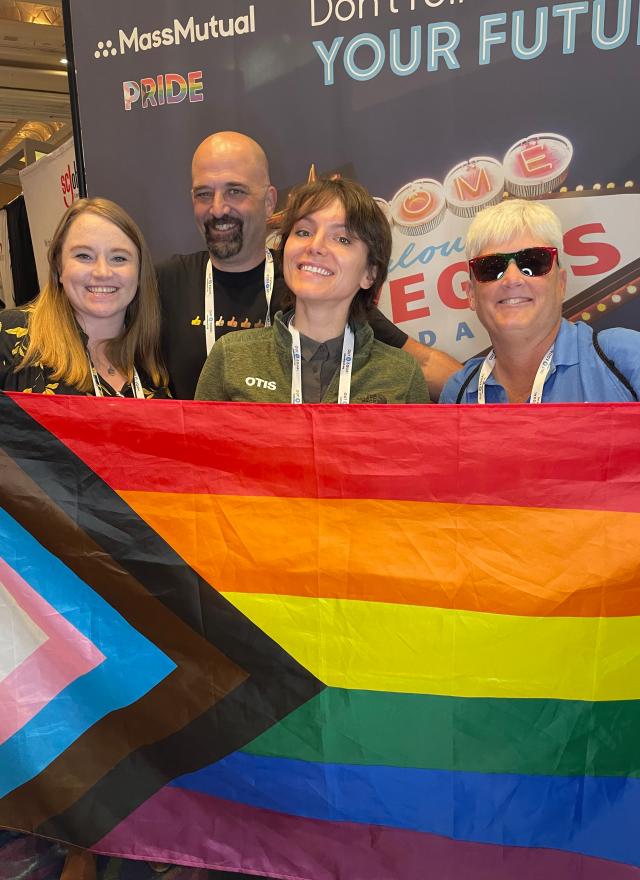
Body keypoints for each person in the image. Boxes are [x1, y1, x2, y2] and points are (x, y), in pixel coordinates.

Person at [157, 130, 460, 400]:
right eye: (204, 193)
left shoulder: (394, 370)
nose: (218, 207)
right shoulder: (167, 285)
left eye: (235, 191)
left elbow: (422, 364)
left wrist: (496, 401)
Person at [195, 177, 429, 404]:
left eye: (342, 239)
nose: (315, 246)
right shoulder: (232, 357)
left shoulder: (402, 375)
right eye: (304, 232)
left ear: (370, 274)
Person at [439, 198, 640, 404]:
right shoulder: (458, 392)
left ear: (561, 284)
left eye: (533, 263)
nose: (512, 280)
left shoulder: (625, 358)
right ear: (471, 294)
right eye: (491, 267)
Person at [0, 197, 169, 398]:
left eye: (119, 258)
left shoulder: (156, 357)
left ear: (140, 272)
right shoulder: (9, 337)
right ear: (58, 267)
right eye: (84, 256)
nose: (102, 272)